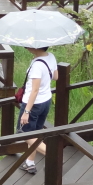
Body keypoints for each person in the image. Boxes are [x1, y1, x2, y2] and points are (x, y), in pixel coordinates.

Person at [18, 46, 58, 174]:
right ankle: (30, 163)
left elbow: (34, 91)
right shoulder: (50, 56)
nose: (27, 47)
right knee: (34, 133)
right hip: (46, 101)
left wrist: (26, 112)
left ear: (35, 47)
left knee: (24, 133)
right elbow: (56, 77)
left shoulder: (37, 66)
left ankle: (53, 154)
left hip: (33, 104)